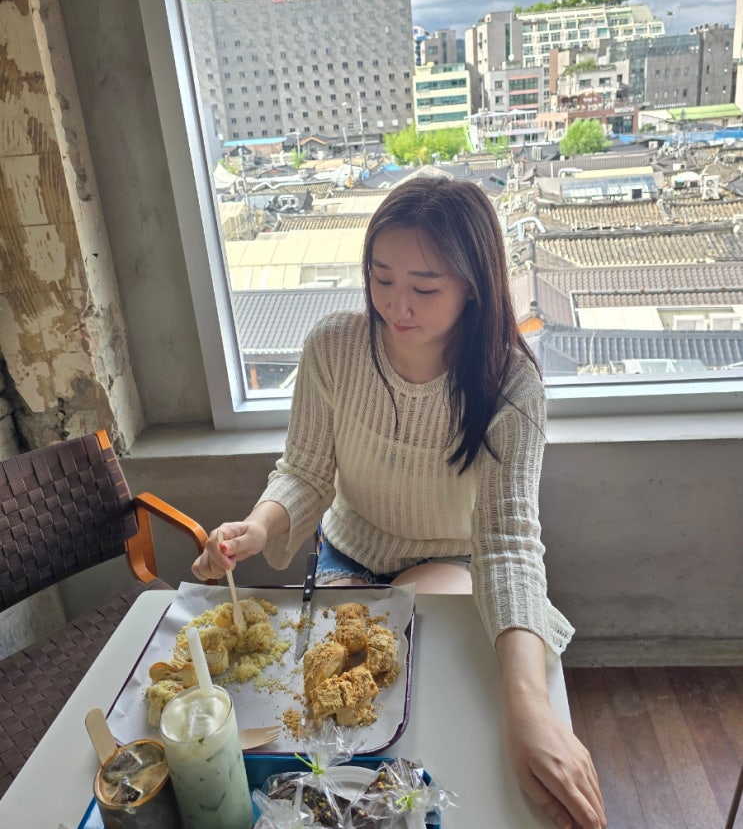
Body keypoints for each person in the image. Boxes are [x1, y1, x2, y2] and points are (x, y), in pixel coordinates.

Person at [193, 175, 606, 829]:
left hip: (448, 560)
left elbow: (507, 544)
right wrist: (259, 525)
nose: (396, 304)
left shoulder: (509, 382)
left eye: (424, 286)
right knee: (338, 711)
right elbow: (304, 472)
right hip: (347, 552)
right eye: (381, 278)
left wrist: (530, 706)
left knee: (428, 682)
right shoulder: (333, 347)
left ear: (472, 284)